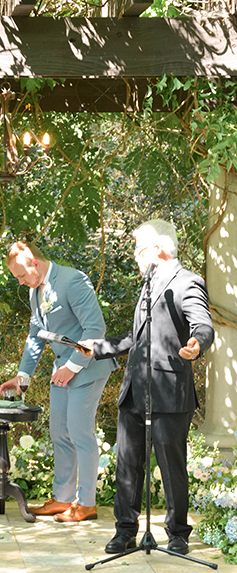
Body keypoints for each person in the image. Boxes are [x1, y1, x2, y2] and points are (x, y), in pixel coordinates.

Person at [78, 219, 214, 555]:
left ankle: (178, 533)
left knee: (171, 465)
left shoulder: (186, 282)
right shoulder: (149, 283)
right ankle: (125, 531)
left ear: (159, 249)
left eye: (140, 247)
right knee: (127, 463)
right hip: (135, 390)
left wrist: (196, 343)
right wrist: (99, 347)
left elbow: (203, 324)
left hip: (169, 391)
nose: (136, 254)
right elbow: (138, 339)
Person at [0, 241, 117, 522]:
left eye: (22, 275)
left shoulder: (72, 280)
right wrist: (22, 376)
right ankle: (63, 499)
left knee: (80, 433)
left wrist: (72, 366)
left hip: (87, 368)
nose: (21, 281)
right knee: (59, 433)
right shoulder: (34, 291)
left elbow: (95, 328)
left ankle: (86, 503)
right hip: (61, 370)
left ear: (34, 264)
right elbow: (35, 336)